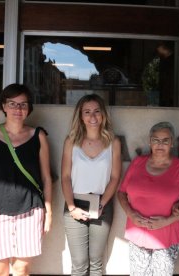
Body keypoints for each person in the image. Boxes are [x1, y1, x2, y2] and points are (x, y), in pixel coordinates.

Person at [0, 83, 52, 276]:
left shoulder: (38, 136)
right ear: (3, 106)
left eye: (23, 104)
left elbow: (46, 178)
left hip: (31, 211)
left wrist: (48, 214)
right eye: (13, 104)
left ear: (29, 108)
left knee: (21, 269)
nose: (18, 109)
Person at [117, 121, 179, 276]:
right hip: (137, 232)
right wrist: (131, 214)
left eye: (165, 140)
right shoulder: (138, 163)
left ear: (172, 143)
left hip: (167, 235)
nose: (160, 144)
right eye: (156, 140)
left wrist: (166, 221)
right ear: (150, 141)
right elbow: (121, 192)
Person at [61, 94, 122, 276]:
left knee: (96, 263)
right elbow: (65, 177)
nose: (92, 117)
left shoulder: (113, 142)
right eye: (87, 112)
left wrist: (101, 204)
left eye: (97, 111)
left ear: (103, 114)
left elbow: (115, 177)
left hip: (102, 203)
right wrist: (72, 207)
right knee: (79, 264)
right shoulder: (71, 141)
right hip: (75, 203)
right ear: (80, 116)